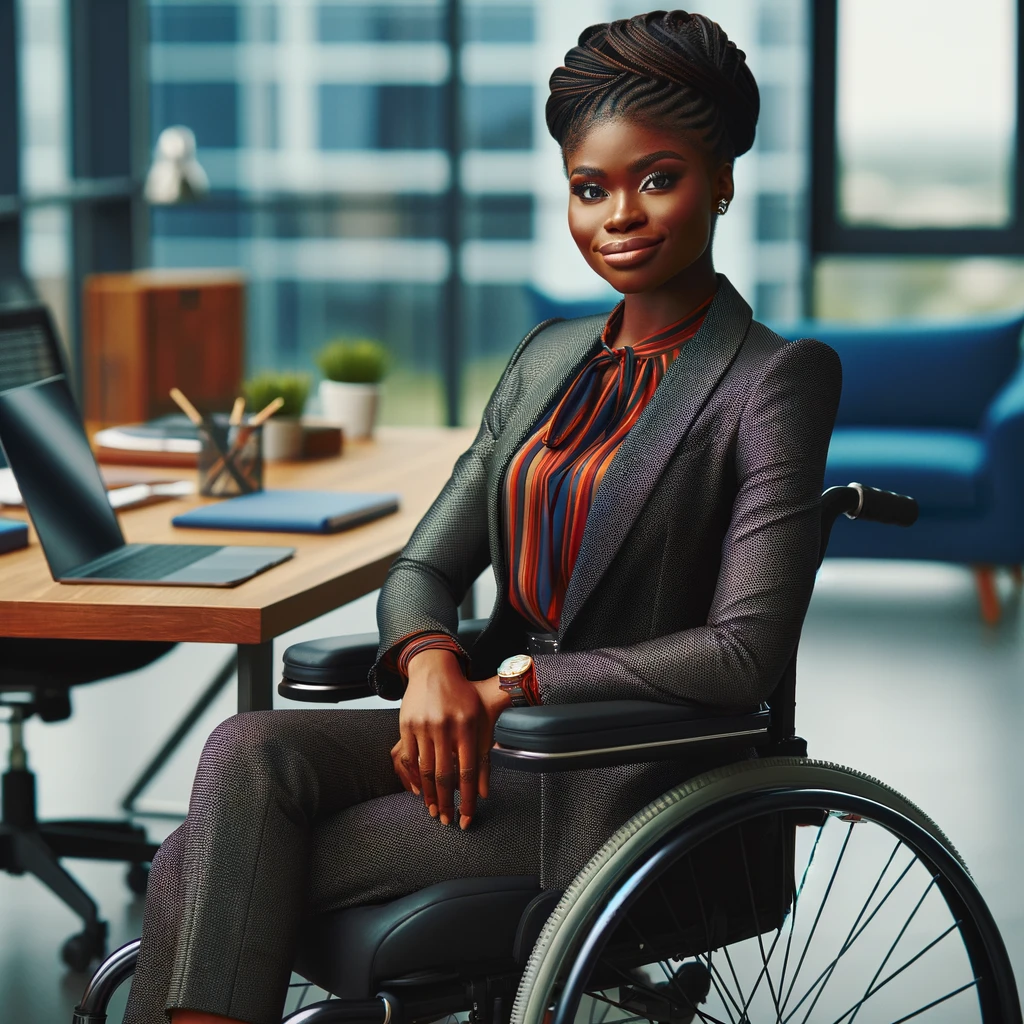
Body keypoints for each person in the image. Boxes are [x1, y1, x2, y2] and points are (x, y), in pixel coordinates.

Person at [121, 11, 841, 1024]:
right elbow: (424, 566)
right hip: (484, 737)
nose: (617, 216)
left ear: (722, 178)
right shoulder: (548, 357)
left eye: (657, 178)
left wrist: (511, 682)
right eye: (588, 188)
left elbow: (741, 653)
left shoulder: (773, 378)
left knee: (209, 858)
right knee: (245, 749)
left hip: (612, 774)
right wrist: (426, 664)